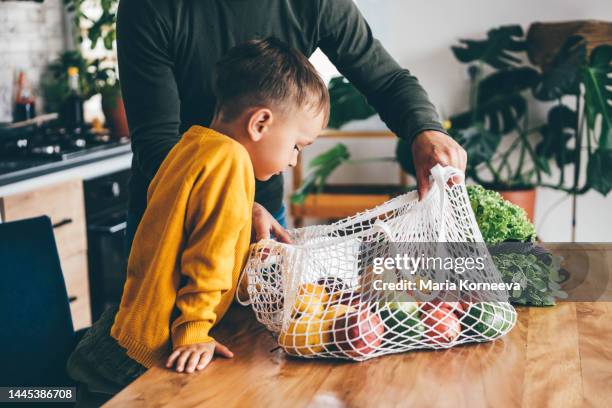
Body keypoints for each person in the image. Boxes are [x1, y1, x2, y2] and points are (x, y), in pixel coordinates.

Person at [66, 38, 330, 396]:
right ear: (260, 123)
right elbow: (208, 258)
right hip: (151, 349)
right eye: (297, 145)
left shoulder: (192, 144)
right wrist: (193, 332)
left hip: (125, 328)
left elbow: (186, 231)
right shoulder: (232, 162)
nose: (293, 160)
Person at [117, 0, 467, 253]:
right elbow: (157, 142)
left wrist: (427, 130)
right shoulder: (150, 7)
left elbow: (387, 80)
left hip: (264, 215)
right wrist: (232, 204)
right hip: (171, 217)